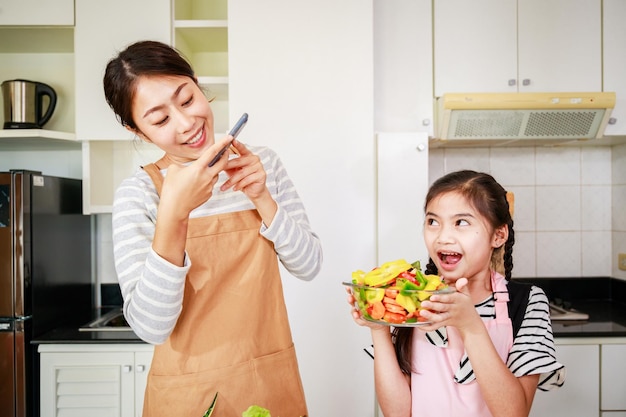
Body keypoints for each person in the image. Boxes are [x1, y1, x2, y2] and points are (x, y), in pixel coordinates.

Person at [103, 40, 322, 417]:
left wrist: (262, 197)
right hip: (187, 392)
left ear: (197, 84)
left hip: (267, 378)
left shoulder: (261, 164)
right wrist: (174, 214)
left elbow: (310, 264)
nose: (187, 123)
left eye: (187, 99)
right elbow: (151, 327)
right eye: (159, 119)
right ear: (137, 130)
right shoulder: (137, 194)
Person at [348, 170, 564, 417]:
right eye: (432, 222)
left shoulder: (527, 303)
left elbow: (514, 413)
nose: (443, 237)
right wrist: (379, 328)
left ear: (498, 235)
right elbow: (397, 413)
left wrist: (470, 326)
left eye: (461, 222)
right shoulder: (411, 296)